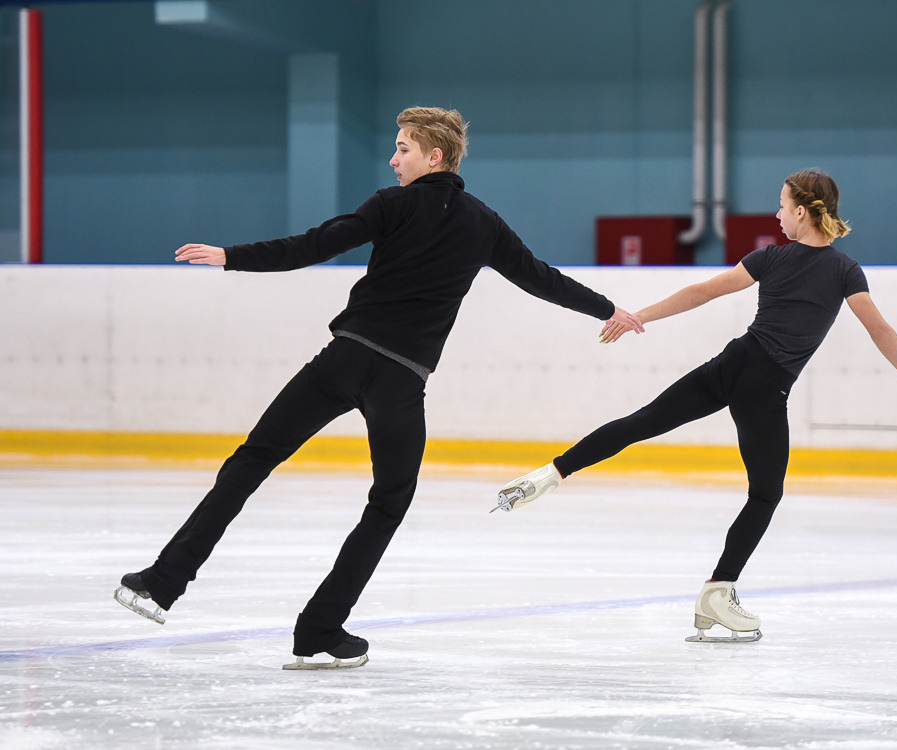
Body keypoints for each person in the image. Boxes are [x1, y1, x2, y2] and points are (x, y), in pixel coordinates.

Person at [114, 106, 644, 669]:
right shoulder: (484, 223)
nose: (393, 160)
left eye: (403, 149)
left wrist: (232, 257)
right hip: (401, 381)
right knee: (389, 500)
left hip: (343, 362)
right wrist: (608, 308)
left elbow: (314, 246)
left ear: (434, 156)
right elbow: (541, 278)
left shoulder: (391, 205)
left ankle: (163, 581)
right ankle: (320, 628)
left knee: (253, 459)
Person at [495, 169, 897, 643]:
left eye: (782, 206)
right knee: (765, 495)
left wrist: (639, 317)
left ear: (801, 212)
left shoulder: (772, 258)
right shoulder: (843, 270)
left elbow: (703, 291)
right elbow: (879, 329)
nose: (777, 215)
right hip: (765, 386)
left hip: (733, 364)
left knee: (640, 422)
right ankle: (718, 591)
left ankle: (549, 474)